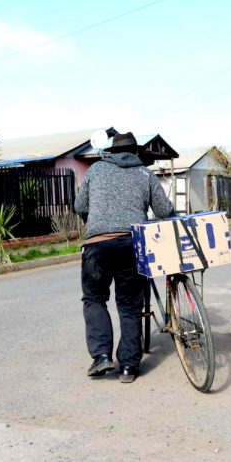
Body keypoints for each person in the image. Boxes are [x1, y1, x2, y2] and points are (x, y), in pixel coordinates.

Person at [74, 132, 174, 384]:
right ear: (136, 152)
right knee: (130, 306)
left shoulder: (96, 170)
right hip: (132, 244)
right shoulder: (144, 173)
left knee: (95, 299)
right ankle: (129, 366)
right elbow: (163, 210)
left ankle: (101, 356)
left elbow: (79, 206)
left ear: (111, 151)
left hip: (97, 246)